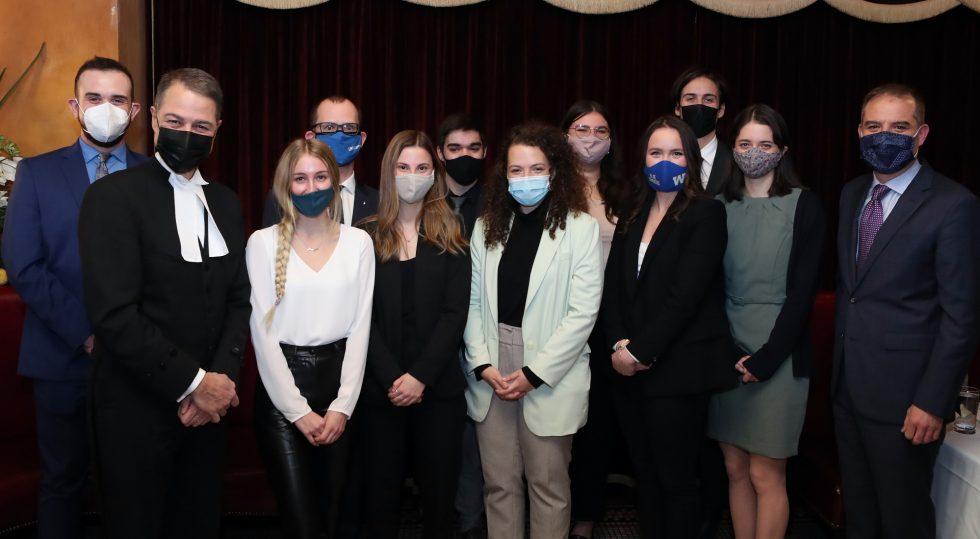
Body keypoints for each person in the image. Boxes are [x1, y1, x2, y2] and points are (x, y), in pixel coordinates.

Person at [77, 68, 251, 538]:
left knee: (198, 522)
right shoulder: (110, 198)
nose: (186, 135)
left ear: (217, 131)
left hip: (208, 411)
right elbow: (114, 315)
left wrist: (219, 380)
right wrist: (193, 383)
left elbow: (239, 302)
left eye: (201, 127)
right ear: (153, 119)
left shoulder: (228, 204)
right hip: (136, 410)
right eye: (175, 121)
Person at [1, 56, 146, 539]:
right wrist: (87, 334)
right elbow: (24, 264)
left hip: (137, 364)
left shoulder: (156, 178)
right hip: (61, 358)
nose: (107, 108)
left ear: (136, 110)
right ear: (75, 106)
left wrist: (128, 339)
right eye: (94, 97)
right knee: (62, 482)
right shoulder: (37, 174)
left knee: (132, 484)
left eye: (118, 99)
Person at [833, 83, 980, 539]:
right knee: (860, 515)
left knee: (903, 519)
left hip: (907, 400)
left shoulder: (955, 205)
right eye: (874, 126)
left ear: (922, 134)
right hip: (849, 389)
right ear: (859, 132)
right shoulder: (851, 194)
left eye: (900, 127)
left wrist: (933, 401)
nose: (885, 136)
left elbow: (961, 317)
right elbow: (853, 292)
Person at [464, 122, 602, 539]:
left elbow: (582, 314)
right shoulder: (487, 226)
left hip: (549, 372)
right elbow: (472, 304)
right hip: (493, 370)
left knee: (549, 488)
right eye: (516, 171)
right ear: (504, 175)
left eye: (536, 169)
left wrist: (533, 374)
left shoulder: (582, 228)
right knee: (499, 485)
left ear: (555, 172)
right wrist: (482, 362)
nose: (526, 179)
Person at [601, 115, 735, 538]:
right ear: (643, 158)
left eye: (675, 153)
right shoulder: (632, 212)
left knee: (676, 481)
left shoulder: (705, 214)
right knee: (645, 477)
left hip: (677, 372)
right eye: (656, 152)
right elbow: (615, 290)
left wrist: (640, 352)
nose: (665, 161)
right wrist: (619, 346)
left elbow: (685, 299)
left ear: (691, 161)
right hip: (629, 371)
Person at [705, 104, 825, 539]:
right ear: (731, 148)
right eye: (744, 144)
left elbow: (803, 294)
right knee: (735, 468)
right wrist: (731, 351)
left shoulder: (804, 205)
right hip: (727, 350)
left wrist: (766, 358)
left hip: (781, 352)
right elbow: (709, 290)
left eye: (765, 144)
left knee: (765, 474)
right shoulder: (716, 206)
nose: (754, 152)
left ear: (782, 150)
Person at [246, 138, 374, 538]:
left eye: (320, 177)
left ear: (335, 183)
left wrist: (343, 406)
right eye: (300, 179)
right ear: (285, 187)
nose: (311, 187)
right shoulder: (262, 243)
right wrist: (298, 411)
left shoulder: (359, 243)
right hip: (282, 397)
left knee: (334, 518)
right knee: (300, 521)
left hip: (340, 393)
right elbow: (262, 338)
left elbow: (361, 329)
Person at [359, 130, 470, 538]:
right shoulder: (364, 236)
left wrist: (419, 376)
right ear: (389, 172)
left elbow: (454, 314)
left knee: (439, 502)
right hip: (380, 391)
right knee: (380, 502)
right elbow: (359, 318)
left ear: (434, 174)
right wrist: (393, 378)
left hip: (437, 390)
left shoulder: (453, 235)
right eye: (403, 167)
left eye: (422, 167)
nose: (413, 175)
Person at [559, 99, 633, 539]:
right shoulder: (550, 189)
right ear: (564, 134)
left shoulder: (628, 191)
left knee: (597, 429)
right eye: (581, 128)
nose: (590, 138)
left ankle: (585, 518)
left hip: (609, 326)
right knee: (557, 428)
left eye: (600, 131)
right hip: (560, 324)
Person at [261, 95, 379, 227]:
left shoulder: (381, 203)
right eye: (328, 128)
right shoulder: (282, 199)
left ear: (361, 139)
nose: (340, 135)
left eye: (349, 128)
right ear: (311, 138)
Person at [671, 67, 733, 196]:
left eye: (708, 100)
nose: (699, 105)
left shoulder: (735, 162)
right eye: (690, 98)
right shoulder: (662, 159)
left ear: (720, 110)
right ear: (677, 108)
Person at [436, 113, 487, 236]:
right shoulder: (423, 201)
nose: (465, 155)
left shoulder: (497, 204)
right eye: (454, 149)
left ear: (484, 152)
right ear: (440, 153)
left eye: (474, 148)